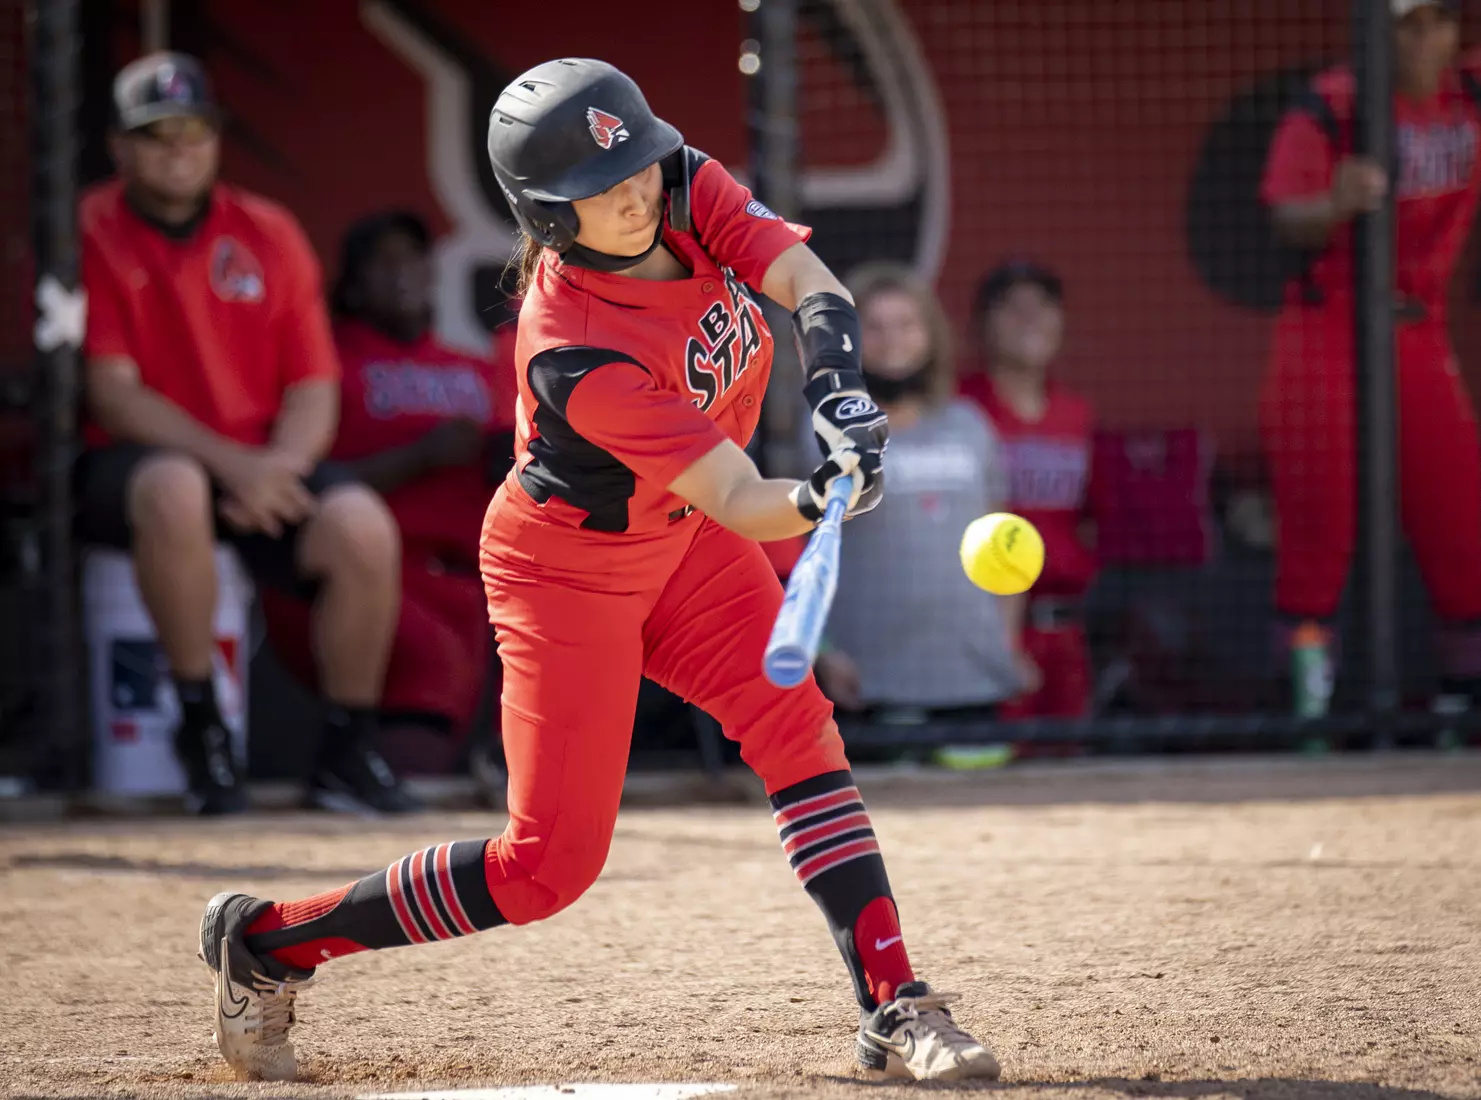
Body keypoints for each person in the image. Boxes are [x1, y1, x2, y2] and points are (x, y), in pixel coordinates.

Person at [194, 58, 1000, 1085]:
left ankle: (891, 998)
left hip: (685, 541)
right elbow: (742, 495)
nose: (634, 195)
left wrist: (838, 388)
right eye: (598, 190)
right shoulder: (572, 347)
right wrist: (819, 493)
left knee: (795, 725)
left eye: (640, 169)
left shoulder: (673, 183)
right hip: (567, 568)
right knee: (545, 869)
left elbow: (807, 280)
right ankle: (268, 941)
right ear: (547, 214)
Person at [76, 52, 415, 815]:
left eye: (192, 132)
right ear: (120, 146)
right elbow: (114, 394)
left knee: (360, 525)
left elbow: (313, 386)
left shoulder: (267, 229)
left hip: (259, 469)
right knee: (174, 485)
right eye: (155, 134)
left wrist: (277, 470)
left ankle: (345, 749)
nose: (177, 150)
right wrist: (239, 469)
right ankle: (205, 734)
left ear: (216, 139)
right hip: (126, 469)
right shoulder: (90, 224)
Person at [1260, 0, 1481, 709]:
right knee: (1318, 530)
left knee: (1461, 522)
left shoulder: (1468, 92)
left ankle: (1460, 709)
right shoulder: (1333, 102)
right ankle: (1308, 715)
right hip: (1326, 329)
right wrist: (1334, 201)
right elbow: (1284, 217)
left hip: (1419, 326)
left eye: (1439, 22)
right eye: (1407, 24)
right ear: (1376, 34)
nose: (1425, 39)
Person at [257, 211, 517, 774]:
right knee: (421, 741)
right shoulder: (326, 370)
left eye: (415, 258)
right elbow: (297, 485)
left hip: (474, 588)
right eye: (386, 261)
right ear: (352, 283)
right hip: (369, 580)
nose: (405, 273)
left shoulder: (477, 368)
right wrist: (417, 458)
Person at [814, 262, 1031, 723]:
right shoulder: (824, 429)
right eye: (873, 326)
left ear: (932, 335)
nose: (891, 339)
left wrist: (1006, 640)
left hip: (973, 675)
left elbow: (1003, 539)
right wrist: (824, 652)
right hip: (869, 679)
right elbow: (791, 552)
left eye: (906, 324)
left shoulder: (970, 425)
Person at [960, 261, 1097, 721]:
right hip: (989, 623)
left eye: (1043, 307)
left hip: (1066, 626)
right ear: (983, 324)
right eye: (1013, 309)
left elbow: (1091, 520)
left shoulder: (1076, 413)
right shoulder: (963, 412)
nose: (1030, 320)